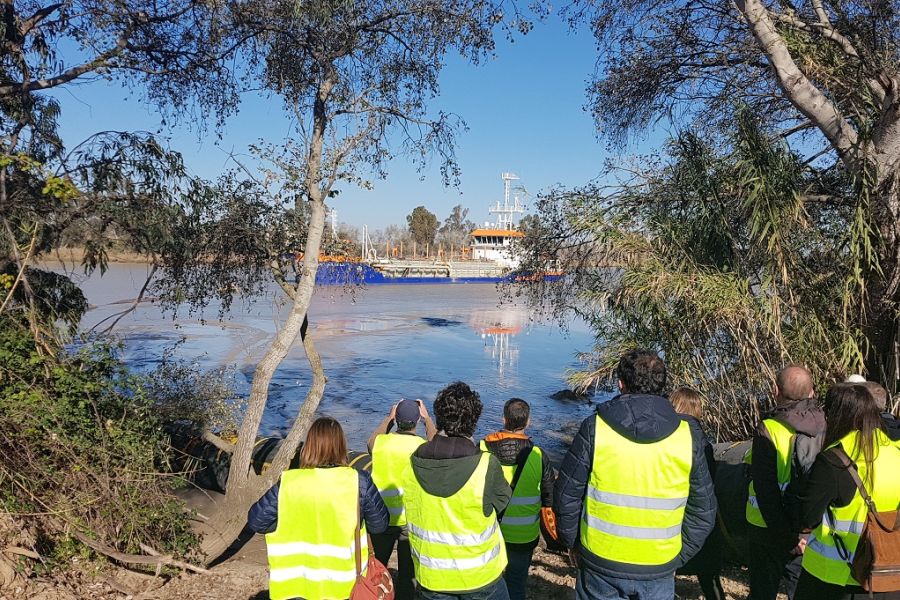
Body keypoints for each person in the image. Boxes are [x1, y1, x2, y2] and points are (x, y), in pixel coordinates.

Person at [553, 350, 716, 600]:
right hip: (658, 566)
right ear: (662, 385)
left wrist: (572, 541)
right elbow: (703, 510)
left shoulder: (596, 428)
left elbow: (566, 495)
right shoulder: (688, 436)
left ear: (620, 384)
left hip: (600, 560)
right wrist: (677, 556)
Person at [248, 416, 389, 600]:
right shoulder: (358, 481)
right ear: (341, 446)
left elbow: (257, 521)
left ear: (309, 446)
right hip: (345, 585)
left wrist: (288, 523)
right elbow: (380, 525)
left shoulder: (289, 482)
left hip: (296, 585)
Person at [401, 381, 512, 600]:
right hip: (480, 577)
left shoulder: (413, 463)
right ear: (474, 421)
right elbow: (501, 501)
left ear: (439, 416)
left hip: (432, 577)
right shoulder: (485, 465)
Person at [794, 384, 900, 600]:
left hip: (835, 578)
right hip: (889, 576)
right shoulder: (896, 452)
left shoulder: (834, 460)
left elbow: (807, 516)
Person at [745, 365, 826, 600]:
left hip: (766, 530)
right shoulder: (828, 425)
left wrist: (786, 540)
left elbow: (765, 490)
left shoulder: (768, 429)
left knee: (762, 592)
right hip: (810, 530)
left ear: (774, 390)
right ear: (812, 392)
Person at [480, 398, 556, 600]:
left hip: (489, 532)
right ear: (528, 422)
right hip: (524, 535)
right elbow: (549, 499)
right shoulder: (538, 455)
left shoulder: (483, 449)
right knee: (517, 582)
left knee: (488, 583)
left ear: (503, 418)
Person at [368, 398, 437, 600]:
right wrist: (428, 420)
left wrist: (388, 419)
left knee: (378, 566)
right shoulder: (421, 447)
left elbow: (372, 440)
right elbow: (435, 444)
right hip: (410, 518)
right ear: (416, 421)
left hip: (381, 516)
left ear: (397, 419)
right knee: (408, 574)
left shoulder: (380, 444)